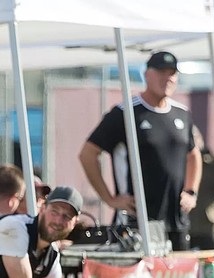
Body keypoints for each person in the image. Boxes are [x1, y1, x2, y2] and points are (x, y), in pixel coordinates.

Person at [79, 51, 201, 251]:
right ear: (147, 75)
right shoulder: (125, 113)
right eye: (161, 72)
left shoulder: (182, 113)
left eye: (172, 73)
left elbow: (193, 155)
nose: (167, 78)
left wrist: (191, 191)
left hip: (176, 221)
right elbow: (87, 154)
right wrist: (109, 198)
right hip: (136, 221)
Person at [188, 127, 214, 251]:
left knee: (211, 267)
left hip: (207, 226)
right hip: (185, 226)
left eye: (196, 137)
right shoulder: (179, 162)